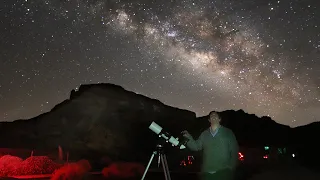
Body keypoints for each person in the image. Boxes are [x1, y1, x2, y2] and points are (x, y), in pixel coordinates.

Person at [182, 111, 239, 180]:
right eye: (211, 116)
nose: (213, 117)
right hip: (207, 173)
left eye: (215, 116)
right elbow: (196, 146)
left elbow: (234, 150)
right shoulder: (204, 134)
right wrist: (189, 138)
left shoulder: (228, 132)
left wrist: (231, 168)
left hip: (223, 172)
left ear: (219, 119)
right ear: (209, 120)